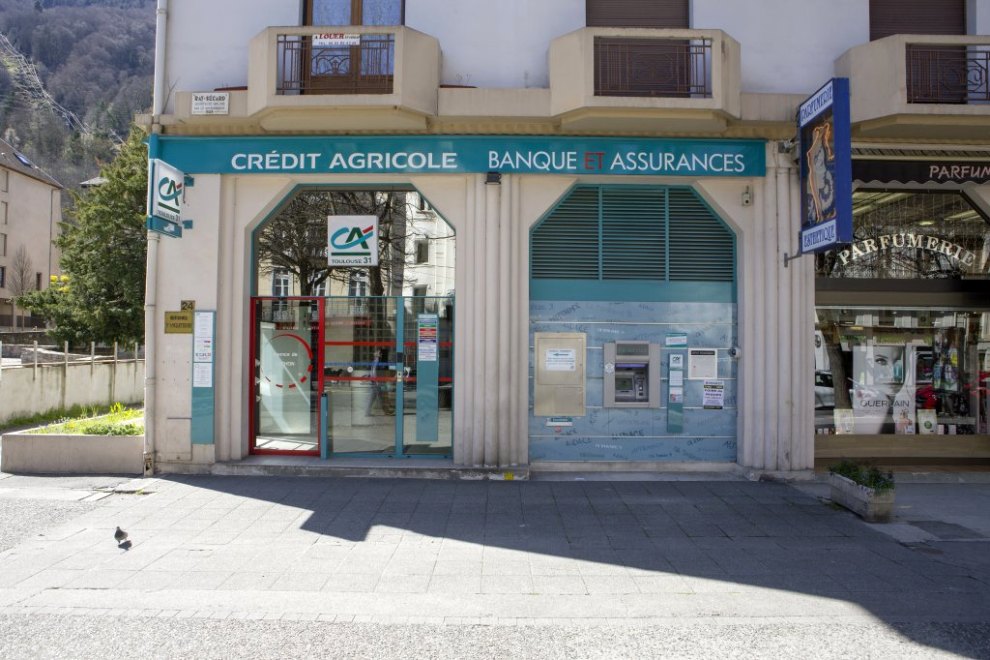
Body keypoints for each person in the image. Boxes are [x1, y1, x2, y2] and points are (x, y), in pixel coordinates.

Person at [365, 348, 393, 416]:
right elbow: (373, 372)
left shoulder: (379, 362)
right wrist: (369, 376)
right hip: (376, 383)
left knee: (380, 398)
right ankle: (368, 412)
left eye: (378, 352)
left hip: (377, 383)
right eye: (377, 352)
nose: (377, 353)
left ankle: (386, 411)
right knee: (376, 398)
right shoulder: (375, 361)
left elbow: (377, 372)